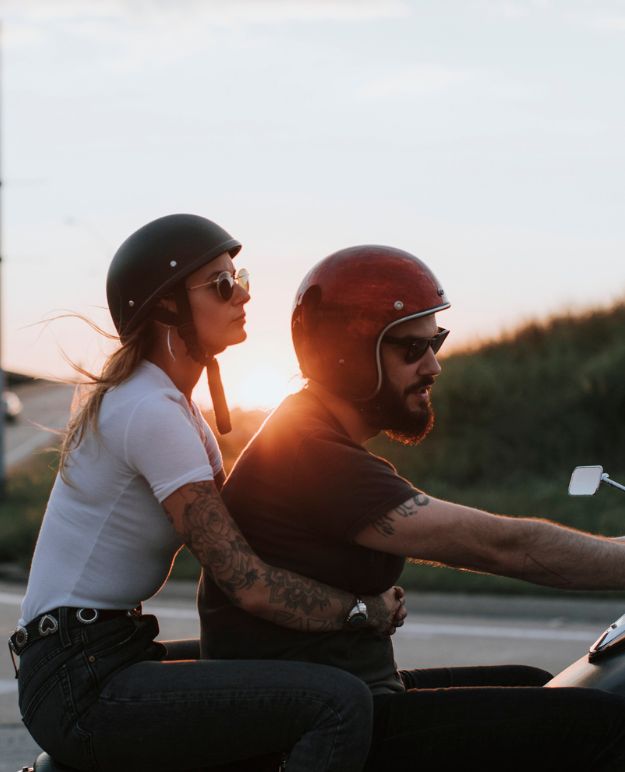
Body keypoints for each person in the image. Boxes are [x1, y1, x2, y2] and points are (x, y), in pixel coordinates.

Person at [199, 244, 625, 770]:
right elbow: (501, 546)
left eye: (436, 341)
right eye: (412, 349)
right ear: (348, 354)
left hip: (355, 695)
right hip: (319, 729)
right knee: (601, 723)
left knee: (542, 685)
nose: (434, 365)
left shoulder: (309, 431)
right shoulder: (308, 453)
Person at [9, 220, 407, 772]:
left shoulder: (170, 407)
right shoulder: (149, 411)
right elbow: (248, 583)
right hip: (80, 682)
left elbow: (256, 533)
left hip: (100, 657)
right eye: (222, 284)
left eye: (238, 277)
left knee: (268, 667)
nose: (243, 293)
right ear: (167, 308)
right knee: (336, 703)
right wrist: (362, 611)